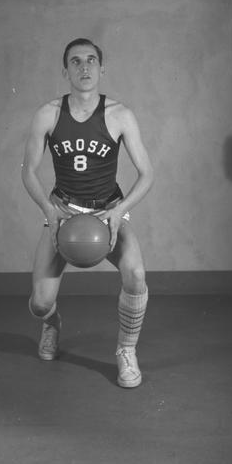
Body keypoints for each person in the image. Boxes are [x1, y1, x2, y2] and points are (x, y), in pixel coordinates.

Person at [21, 38, 154, 388]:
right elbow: (28, 171)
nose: (84, 67)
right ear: (65, 70)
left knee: (136, 274)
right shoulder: (48, 114)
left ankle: (126, 351)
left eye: (91, 60)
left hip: (107, 211)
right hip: (63, 211)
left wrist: (120, 210)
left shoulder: (120, 115)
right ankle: (52, 324)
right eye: (76, 61)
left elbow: (147, 174)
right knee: (40, 303)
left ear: (102, 68)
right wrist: (49, 210)